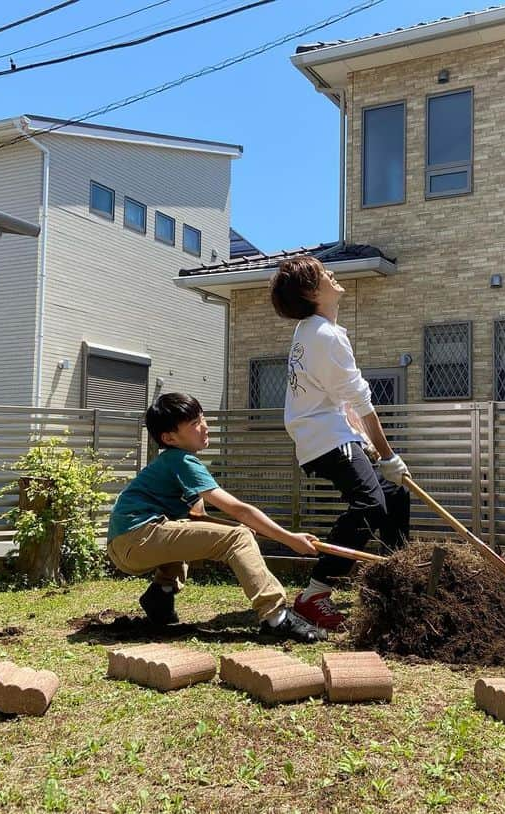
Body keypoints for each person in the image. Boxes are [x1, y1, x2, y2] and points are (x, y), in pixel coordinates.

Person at [106, 392, 325, 642]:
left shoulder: (174, 461)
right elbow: (240, 509)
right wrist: (289, 539)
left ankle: (160, 595)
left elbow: (197, 517)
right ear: (169, 438)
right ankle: (276, 617)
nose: (205, 427)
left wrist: (234, 527)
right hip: (139, 537)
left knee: (205, 530)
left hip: (127, 542)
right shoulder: (183, 461)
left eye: (202, 418)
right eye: (194, 424)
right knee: (238, 537)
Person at [270, 255, 411, 630]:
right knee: (370, 504)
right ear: (310, 291)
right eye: (322, 274)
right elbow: (361, 401)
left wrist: (364, 440)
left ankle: (400, 581)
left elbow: (338, 397)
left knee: (395, 496)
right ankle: (314, 593)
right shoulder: (325, 336)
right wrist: (388, 454)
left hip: (329, 433)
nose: (331, 274)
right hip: (325, 437)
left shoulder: (310, 331)